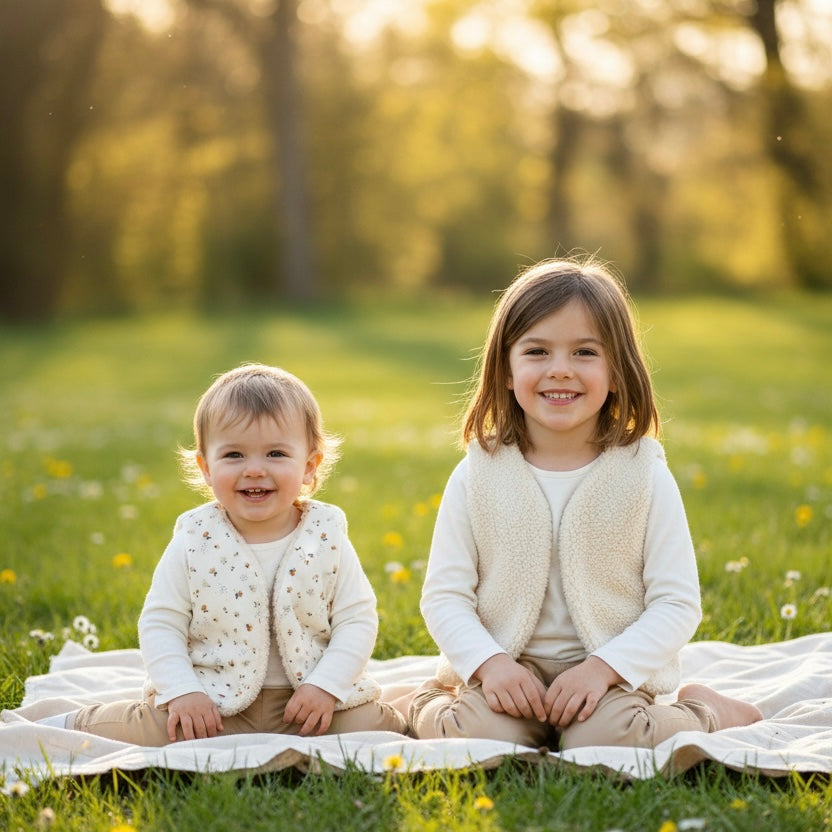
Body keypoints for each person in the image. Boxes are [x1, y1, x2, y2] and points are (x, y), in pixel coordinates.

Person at [407, 257, 762, 750]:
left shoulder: (644, 475)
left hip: (608, 671)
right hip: (510, 668)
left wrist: (605, 670)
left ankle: (705, 711)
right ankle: (430, 699)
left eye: (584, 352)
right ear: (505, 370)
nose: (560, 370)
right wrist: (491, 666)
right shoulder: (477, 474)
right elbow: (445, 597)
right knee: (478, 736)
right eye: (536, 350)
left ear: (617, 372)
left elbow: (676, 603)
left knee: (607, 740)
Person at [51, 363, 405, 744]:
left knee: (382, 728)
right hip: (214, 703)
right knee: (151, 729)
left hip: (309, 706)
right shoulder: (195, 538)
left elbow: (357, 619)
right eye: (234, 455)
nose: (254, 470)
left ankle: (424, 708)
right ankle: (63, 727)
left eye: (275, 453)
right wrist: (184, 691)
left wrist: (326, 685)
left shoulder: (326, 534)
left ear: (309, 466)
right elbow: (161, 623)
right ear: (206, 467)